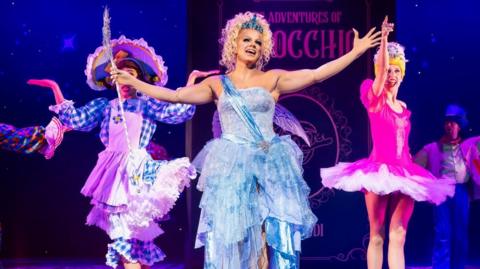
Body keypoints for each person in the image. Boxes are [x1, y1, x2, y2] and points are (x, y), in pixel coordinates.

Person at [112, 11, 381, 268]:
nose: (252, 45)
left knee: (272, 236)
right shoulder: (217, 83)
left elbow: (316, 73)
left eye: (258, 41)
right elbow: (176, 96)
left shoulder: (272, 79)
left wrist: (355, 52)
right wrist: (135, 83)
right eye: (247, 40)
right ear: (234, 43)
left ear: (263, 48)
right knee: (233, 238)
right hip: (233, 168)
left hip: (271, 164)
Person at [37, 36, 215, 269]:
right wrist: (56, 90)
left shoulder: (147, 103)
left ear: (139, 79)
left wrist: (191, 82)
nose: (125, 80)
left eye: (131, 74)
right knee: (123, 233)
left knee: (137, 234)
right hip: (113, 174)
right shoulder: (105, 106)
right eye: (121, 74)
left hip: (139, 171)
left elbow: (179, 113)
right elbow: (75, 119)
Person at [321, 17, 455, 269]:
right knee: (377, 234)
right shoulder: (373, 97)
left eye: (397, 70)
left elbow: (402, 144)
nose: (391, 75)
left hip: (405, 172)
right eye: (388, 69)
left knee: (399, 235)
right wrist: (383, 39)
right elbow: (380, 75)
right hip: (378, 171)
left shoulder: (405, 108)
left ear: (403, 74)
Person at [415, 104, 480, 269]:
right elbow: (415, 164)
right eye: (447, 122)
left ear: (460, 125)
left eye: (453, 122)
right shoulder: (432, 147)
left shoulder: (470, 145)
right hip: (441, 191)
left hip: (461, 191)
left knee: (461, 233)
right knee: (442, 233)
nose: (449, 125)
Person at [0, 80, 69, 159]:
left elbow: (53, 85)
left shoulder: (38, 140)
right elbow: (53, 85)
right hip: (28, 138)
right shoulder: (38, 137)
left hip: (29, 139)